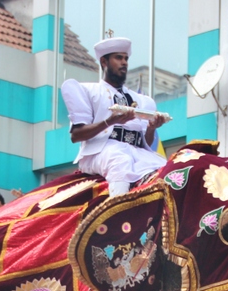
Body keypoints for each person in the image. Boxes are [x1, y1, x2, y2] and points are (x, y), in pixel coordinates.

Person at [60, 37, 168, 197]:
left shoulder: (141, 100)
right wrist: (110, 121)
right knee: (120, 161)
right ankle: (117, 215)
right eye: (118, 58)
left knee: (165, 168)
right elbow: (76, 135)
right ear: (104, 62)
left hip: (136, 152)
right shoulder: (88, 91)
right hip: (100, 152)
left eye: (126, 58)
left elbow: (147, 141)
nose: (124, 62)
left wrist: (151, 128)